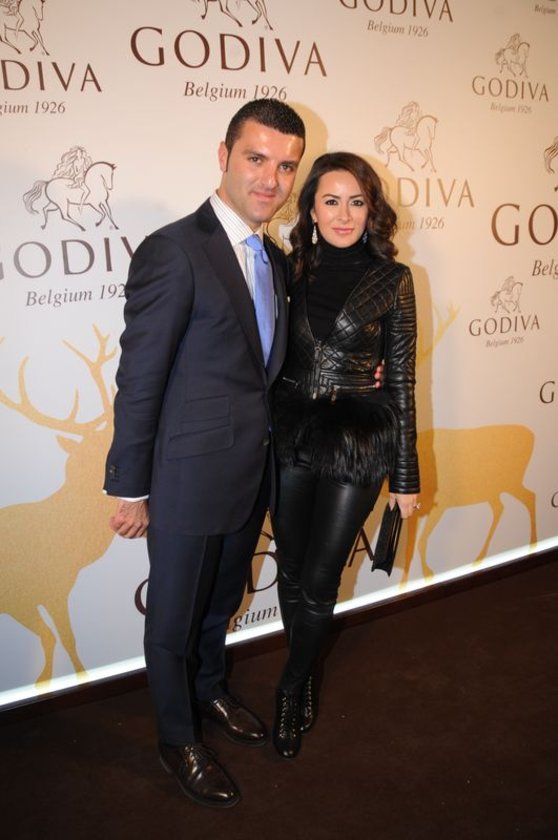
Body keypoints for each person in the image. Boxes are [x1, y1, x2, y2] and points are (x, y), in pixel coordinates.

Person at [104, 99, 306, 808]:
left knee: (222, 599)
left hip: (249, 472)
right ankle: (176, 735)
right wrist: (130, 486)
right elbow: (141, 376)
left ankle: (210, 689)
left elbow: (264, 368)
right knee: (173, 618)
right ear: (223, 157)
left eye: (287, 166)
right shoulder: (173, 250)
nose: (271, 179)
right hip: (186, 478)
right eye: (257, 158)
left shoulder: (273, 259)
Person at [270, 152, 421, 759]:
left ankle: (289, 688)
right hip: (291, 431)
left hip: (358, 439)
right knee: (290, 567)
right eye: (330, 201)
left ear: (371, 209)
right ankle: (305, 671)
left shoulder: (394, 279)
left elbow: (402, 379)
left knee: (322, 575)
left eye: (356, 202)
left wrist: (406, 475)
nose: (343, 214)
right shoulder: (286, 269)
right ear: (310, 208)